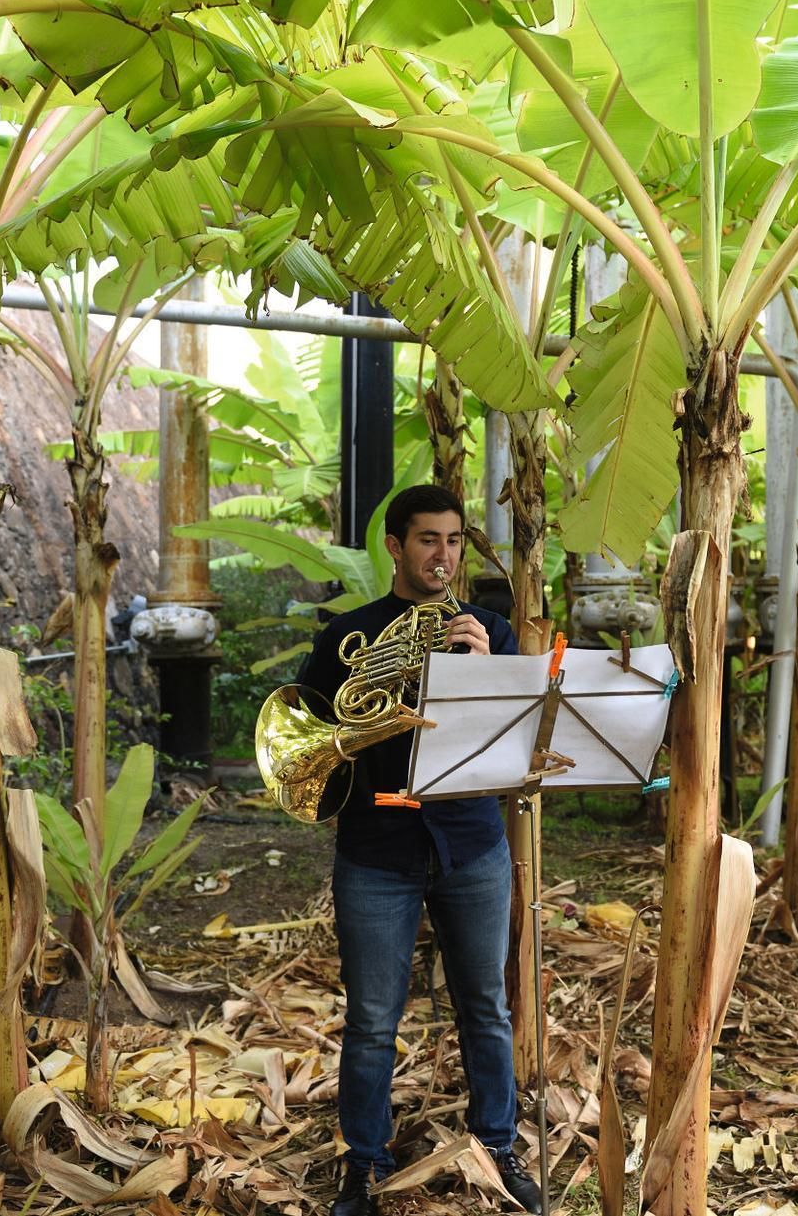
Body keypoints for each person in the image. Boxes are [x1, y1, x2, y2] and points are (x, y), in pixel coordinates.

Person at [295, 485, 544, 1216]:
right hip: (377, 849)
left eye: (455, 540)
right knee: (373, 1020)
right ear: (396, 547)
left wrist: (483, 669)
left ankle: (497, 1148)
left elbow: (521, 739)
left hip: (472, 844)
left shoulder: (490, 631)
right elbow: (311, 737)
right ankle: (365, 1165)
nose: (444, 554)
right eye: (429, 539)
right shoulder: (348, 635)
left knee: (486, 1008)